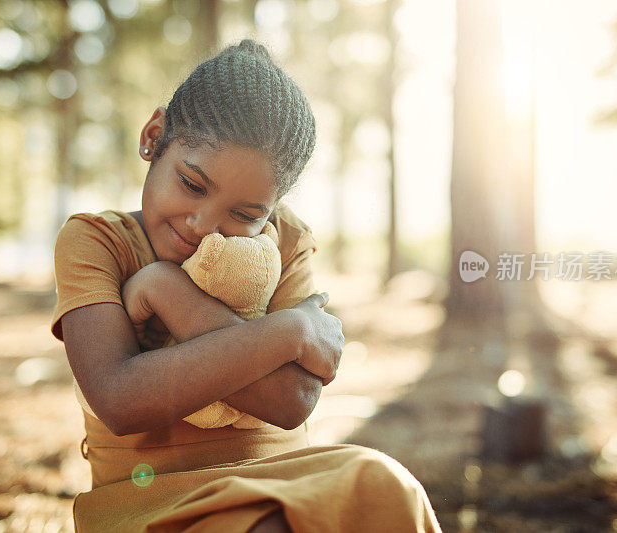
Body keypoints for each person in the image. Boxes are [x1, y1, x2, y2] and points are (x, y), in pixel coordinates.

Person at [51, 39, 442, 533]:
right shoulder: (96, 241)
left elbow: (291, 402)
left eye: (243, 214)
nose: (201, 225)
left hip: (279, 474)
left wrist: (172, 300)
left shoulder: (287, 243)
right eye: (192, 184)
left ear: (270, 210)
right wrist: (289, 332)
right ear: (154, 137)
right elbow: (120, 398)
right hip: (149, 500)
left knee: (386, 483)